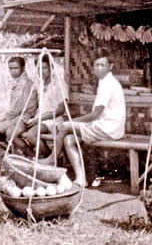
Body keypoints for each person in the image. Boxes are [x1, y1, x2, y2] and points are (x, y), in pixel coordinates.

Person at [40, 49, 126, 187]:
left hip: (109, 128)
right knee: (68, 140)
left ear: (110, 66)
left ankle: (52, 158)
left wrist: (72, 122)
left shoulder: (108, 84)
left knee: (65, 126)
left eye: (102, 65)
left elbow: (95, 115)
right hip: (107, 127)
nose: (98, 69)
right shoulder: (105, 82)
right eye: (96, 65)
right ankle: (81, 179)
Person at [0, 57, 37, 163]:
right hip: (19, 116)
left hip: (23, 118)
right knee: (3, 132)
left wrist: (1, 120)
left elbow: (16, 109)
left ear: (23, 68)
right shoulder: (20, 82)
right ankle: (15, 156)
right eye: (10, 68)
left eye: (16, 68)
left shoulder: (24, 83)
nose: (13, 71)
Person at [19, 55, 69, 157]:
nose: (41, 71)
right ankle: (33, 155)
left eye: (45, 68)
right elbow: (35, 105)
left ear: (51, 68)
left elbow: (61, 109)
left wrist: (41, 118)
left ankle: (49, 156)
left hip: (52, 120)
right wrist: (28, 115)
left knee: (31, 135)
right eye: (39, 68)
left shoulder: (59, 84)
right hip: (37, 119)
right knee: (13, 132)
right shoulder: (39, 84)